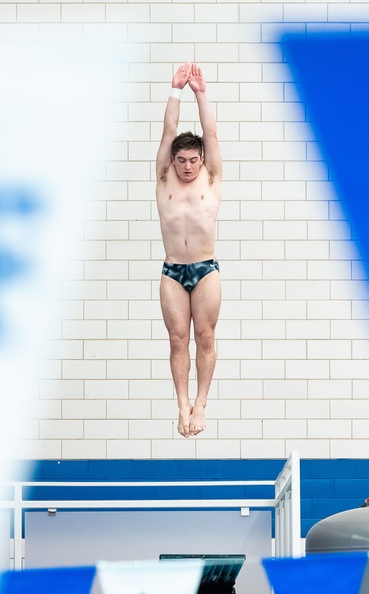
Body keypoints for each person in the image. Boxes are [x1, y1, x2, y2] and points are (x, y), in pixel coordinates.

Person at [156, 62, 223, 438]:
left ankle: (201, 404)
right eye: (180, 160)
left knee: (206, 339)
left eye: (192, 160)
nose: (185, 166)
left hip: (205, 269)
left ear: (202, 160)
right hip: (172, 271)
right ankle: (182, 404)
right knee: (178, 340)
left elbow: (210, 132)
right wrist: (175, 90)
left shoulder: (211, 177)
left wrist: (200, 92)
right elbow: (168, 131)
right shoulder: (164, 176)